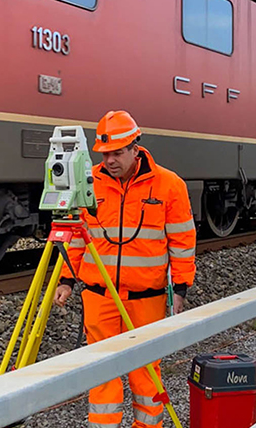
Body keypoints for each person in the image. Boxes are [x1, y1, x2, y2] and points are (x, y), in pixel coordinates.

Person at [54, 110, 196, 428]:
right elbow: (77, 236)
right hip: (99, 297)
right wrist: (66, 278)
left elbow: (182, 241)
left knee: (146, 374)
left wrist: (181, 289)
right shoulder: (89, 181)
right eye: (105, 154)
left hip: (146, 299)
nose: (110, 160)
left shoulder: (168, 185)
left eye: (117, 153)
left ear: (135, 147)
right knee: (102, 373)